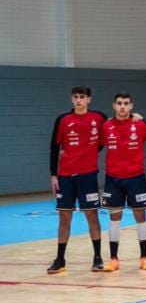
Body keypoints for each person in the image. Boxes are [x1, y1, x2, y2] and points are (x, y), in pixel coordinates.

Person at [47, 86, 107, 275]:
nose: (79, 100)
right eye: (76, 97)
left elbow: (114, 128)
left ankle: (97, 258)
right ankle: (60, 259)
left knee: (92, 216)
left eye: (82, 97)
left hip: (88, 175)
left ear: (89, 99)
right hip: (65, 177)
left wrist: (136, 117)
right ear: (72, 99)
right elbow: (54, 148)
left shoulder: (99, 118)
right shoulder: (63, 120)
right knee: (64, 217)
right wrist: (53, 175)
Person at [99, 93, 146, 272]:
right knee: (114, 217)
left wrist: (144, 120)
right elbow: (96, 144)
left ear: (131, 106)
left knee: (140, 216)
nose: (122, 106)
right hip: (113, 179)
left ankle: (144, 257)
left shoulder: (139, 124)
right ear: (114, 105)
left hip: (136, 178)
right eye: (119, 103)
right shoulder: (106, 126)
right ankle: (114, 259)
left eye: (126, 103)